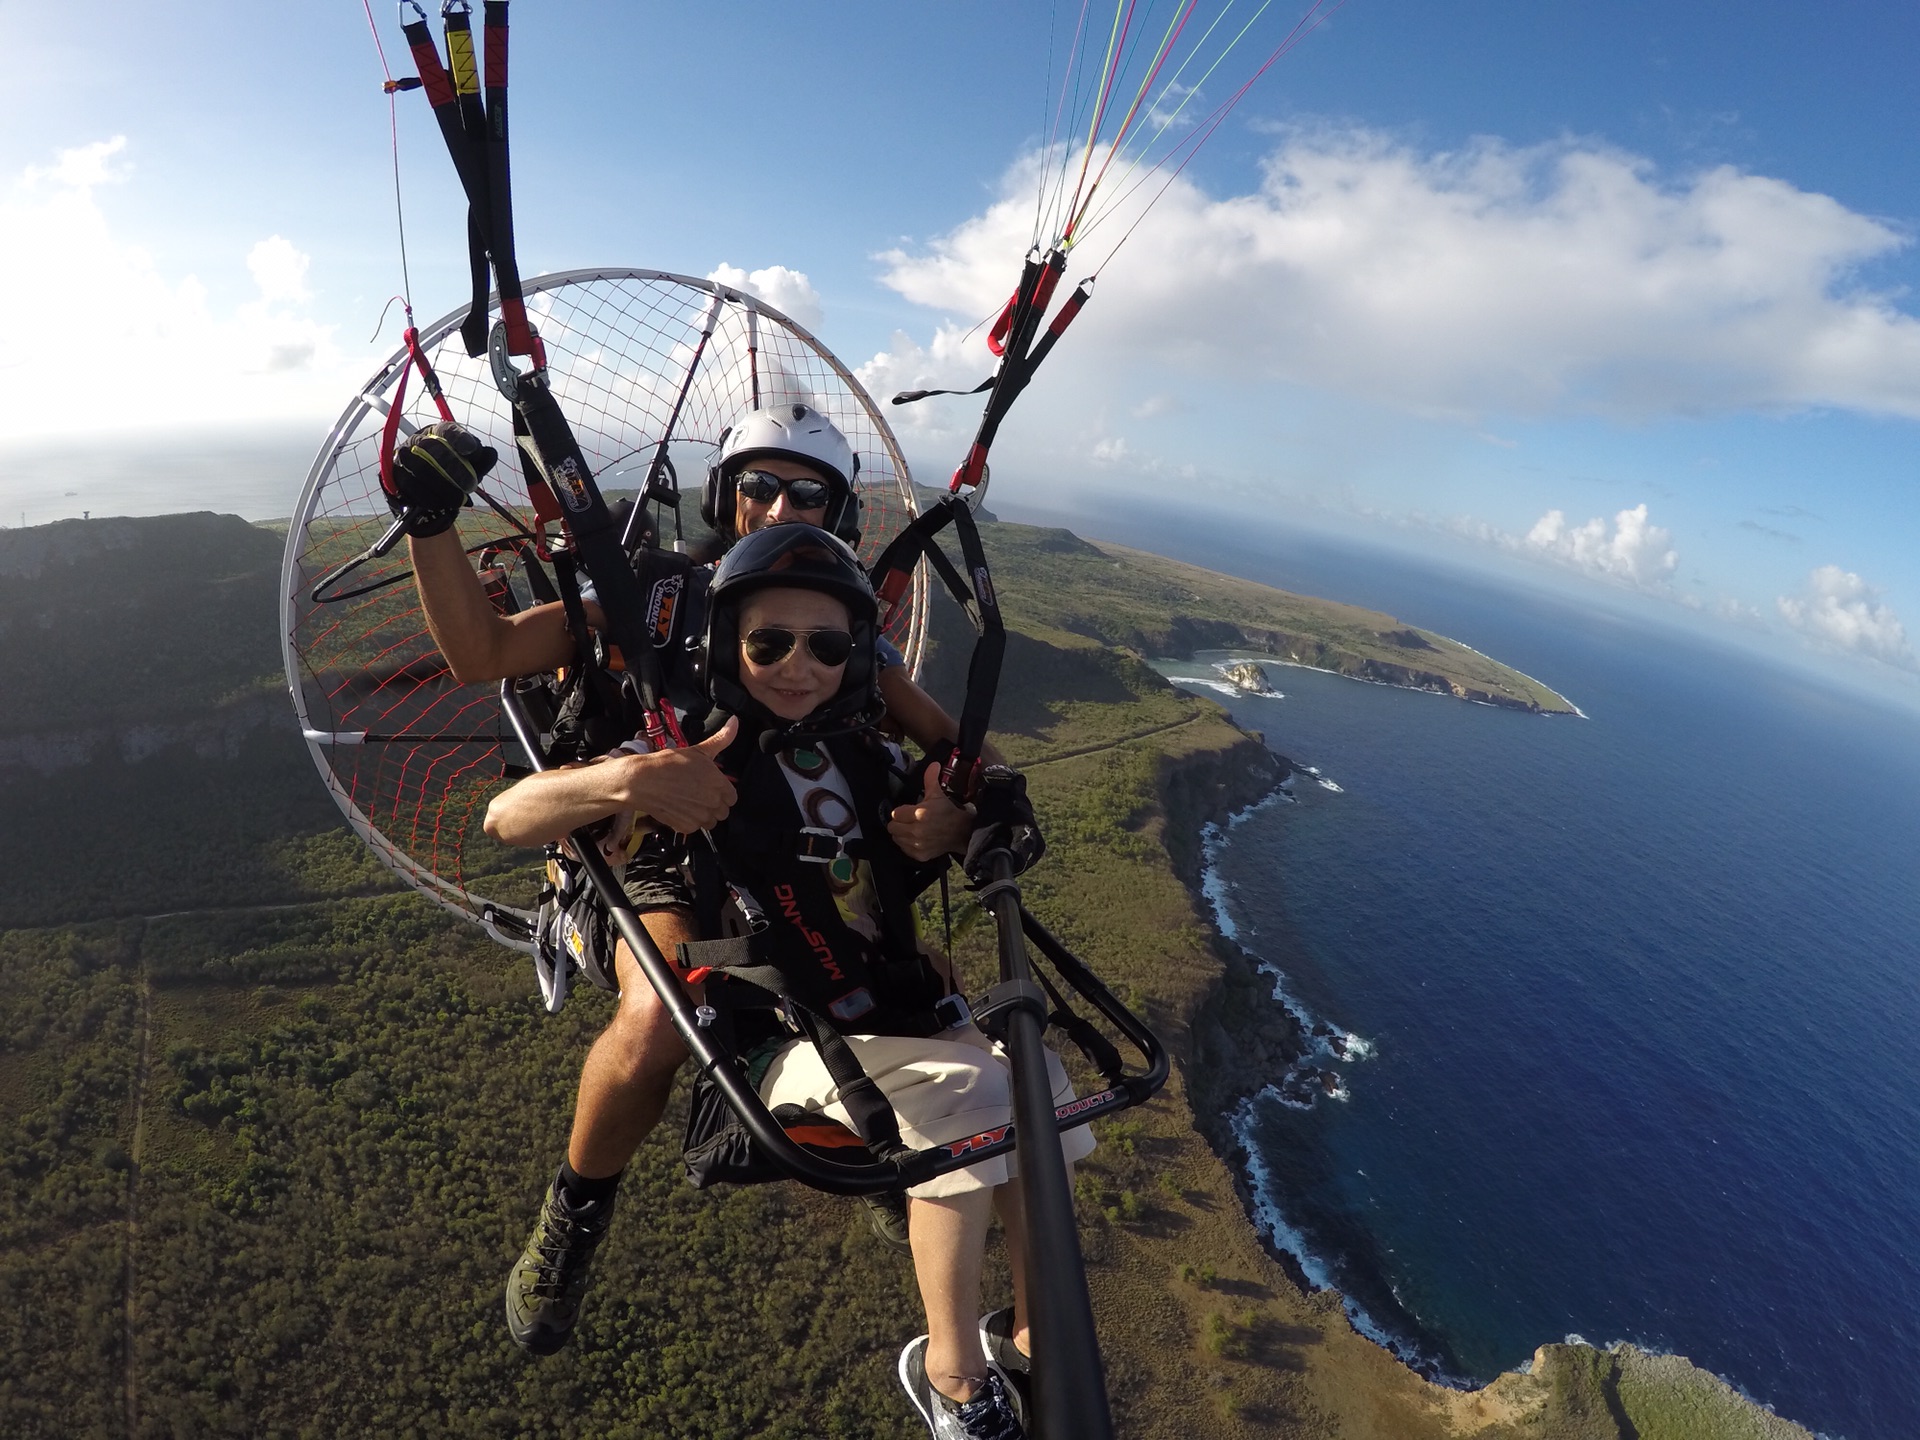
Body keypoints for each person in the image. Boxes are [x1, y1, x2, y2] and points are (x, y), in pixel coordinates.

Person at [385, 404, 990, 1354]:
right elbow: (487, 655)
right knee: (667, 1009)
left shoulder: (838, 629)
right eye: (757, 485)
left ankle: (884, 1153)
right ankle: (575, 1216)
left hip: (787, 841)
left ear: (837, 515)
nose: (775, 506)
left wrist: (953, 809)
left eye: (804, 492)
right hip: (646, 845)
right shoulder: (659, 599)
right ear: (725, 494)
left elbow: (958, 755)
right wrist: (431, 526)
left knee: (924, 986)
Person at [484, 523, 1091, 1439]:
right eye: (767, 643)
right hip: (773, 1050)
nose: (797, 666)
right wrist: (633, 783)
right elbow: (508, 815)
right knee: (974, 1094)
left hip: (887, 1025)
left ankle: (1039, 1339)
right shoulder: (688, 755)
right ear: (727, 647)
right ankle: (952, 1375)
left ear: (855, 660)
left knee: (1043, 1086)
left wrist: (961, 820)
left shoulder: (870, 761)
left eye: (827, 646)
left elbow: (971, 796)